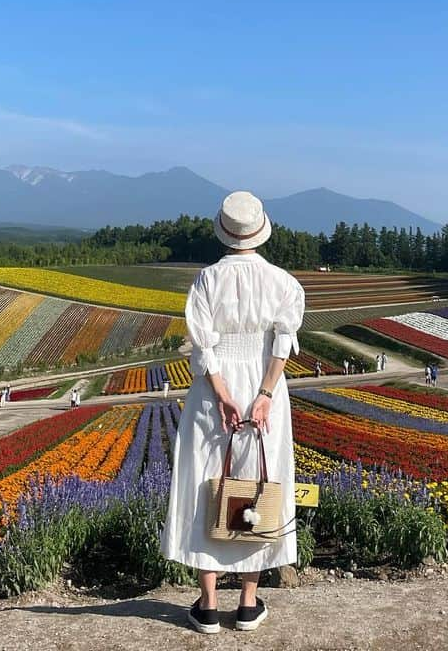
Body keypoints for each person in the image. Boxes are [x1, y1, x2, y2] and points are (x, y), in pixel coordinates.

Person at [162, 191, 304, 635]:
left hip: (212, 392)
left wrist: (222, 395)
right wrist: (263, 394)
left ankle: (207, 605)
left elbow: (203, 348)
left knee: (207, 482)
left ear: (223, 232)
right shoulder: (283, 283)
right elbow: (283, 344)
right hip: (266, 389)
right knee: (258, 483)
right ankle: (246, 603)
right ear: (260, 231)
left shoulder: (206, 280)